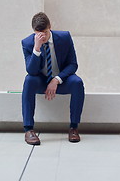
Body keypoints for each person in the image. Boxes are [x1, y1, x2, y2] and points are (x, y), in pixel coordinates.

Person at [21, 12, 85, 145]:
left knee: (77, 82)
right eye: (38, 33)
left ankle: (74, 127)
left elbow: (73, 64)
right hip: (40, 81)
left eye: (44, 32)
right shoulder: (27, 43)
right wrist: (36, 48)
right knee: (28, 80)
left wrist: (56, 80)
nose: (42, 36)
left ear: (50, 27)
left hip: (61, 80)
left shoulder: (65, 37)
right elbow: (31, 71)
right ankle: (28, 129)